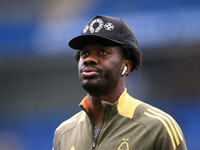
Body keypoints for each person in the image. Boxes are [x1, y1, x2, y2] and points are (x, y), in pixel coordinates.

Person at [52, 15, 187, 150]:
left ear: (126, 66)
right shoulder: (63, 134)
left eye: (102, 52)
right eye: (84, 53)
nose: (89, 59)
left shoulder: (157, 127)